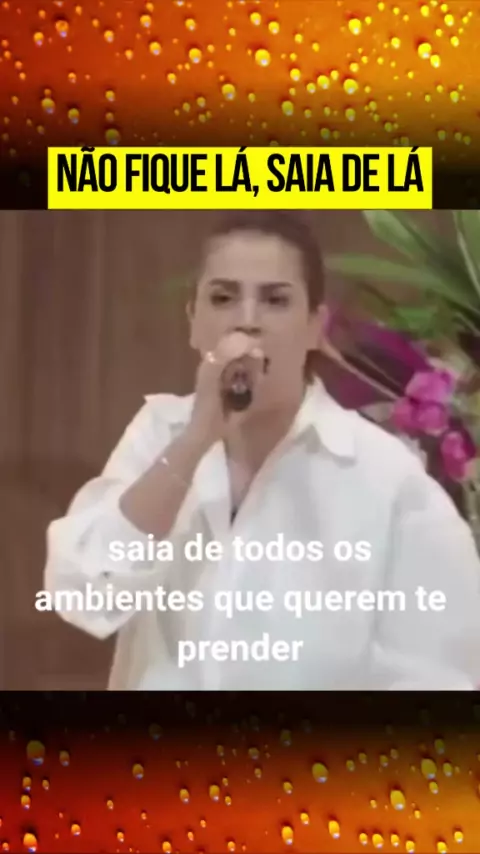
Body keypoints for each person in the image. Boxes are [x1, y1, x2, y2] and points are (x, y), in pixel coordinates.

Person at [44, 211, 480, 690]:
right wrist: (194, 441)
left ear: (315, 327)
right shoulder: (160, 432)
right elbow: (82, 594)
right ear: (194, 322)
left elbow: (439, 676)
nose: (247, 321)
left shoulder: (386, 477)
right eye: (223, 297)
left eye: (275, 300)